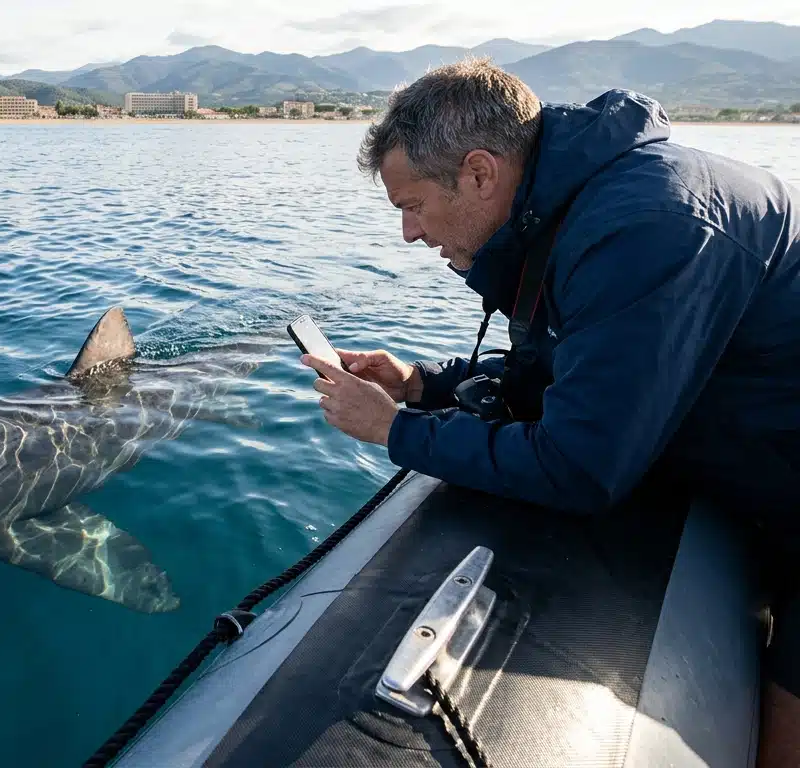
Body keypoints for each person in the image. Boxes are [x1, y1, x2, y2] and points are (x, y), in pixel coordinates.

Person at [297, 58, 800, 765]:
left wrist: (393, 429)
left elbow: (580, 467)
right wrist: (420, 386)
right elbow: (560, 371)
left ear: (479, 173)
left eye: (411, 206)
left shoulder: (643, 227)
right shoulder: (570, 211)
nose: (408, 233)